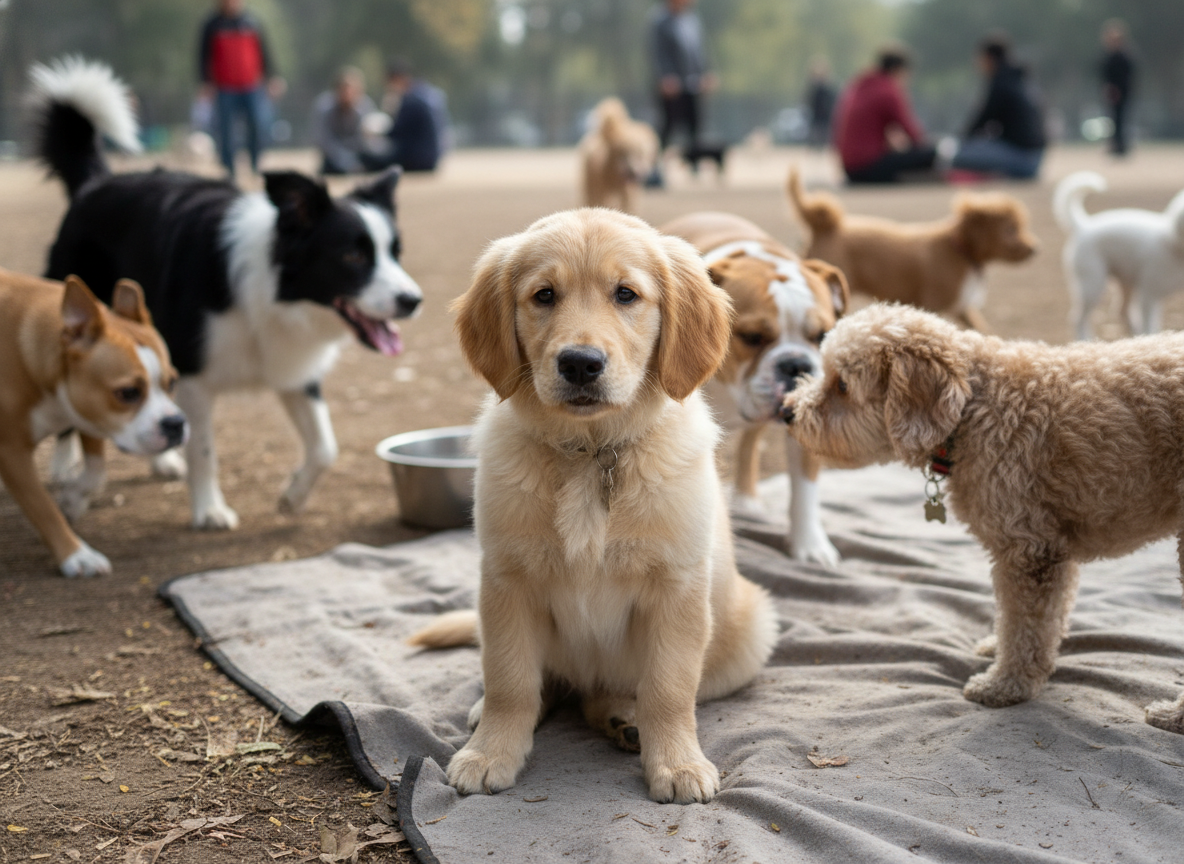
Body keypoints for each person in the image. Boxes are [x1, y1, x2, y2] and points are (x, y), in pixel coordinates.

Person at [198, 0, 284, 178]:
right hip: (224, 87)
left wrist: (272, 77)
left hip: (251, 85)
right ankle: (229, 168)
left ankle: (254, 164)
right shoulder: (212, 25)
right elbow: (203, 56)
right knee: (225, 129)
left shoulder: (252, 22)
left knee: (256, 125)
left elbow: (264, 52)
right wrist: (205, 82)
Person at [833, 45, 935, 184]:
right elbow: (912, 133)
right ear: (897, 70)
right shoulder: (887, 90)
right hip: (867, 166)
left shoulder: (860, 84)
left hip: (849, 167)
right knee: (930, 154)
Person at [951, 34, 1046, 180]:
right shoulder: (1018, 79)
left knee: (957, 156)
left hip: (1023, 159)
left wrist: (959, 141)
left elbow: (981, 121)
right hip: (1036, 157)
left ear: (989, 58)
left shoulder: (1000, 83)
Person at [647, 0, 716, 185]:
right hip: (671, 85)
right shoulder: (660, 21)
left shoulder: (692, 20)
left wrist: (705, 74)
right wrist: (665, 76)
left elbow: (699, 52)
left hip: (692, 83)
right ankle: (655, 170)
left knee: (694, 126)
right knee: (666, 128)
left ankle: (694, 167)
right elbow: (657, 53)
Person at [362, 58, 448, 174]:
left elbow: (396, 133)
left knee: (365, 157)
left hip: (417, 160)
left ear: (396, 78)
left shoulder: (410, 99)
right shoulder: (424, 92)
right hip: (432, 158)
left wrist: (377, 132)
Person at [312, 67, 375, 176]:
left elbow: (367, 139)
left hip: (359, 154)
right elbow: (324, 140)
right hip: (334, 158)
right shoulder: (325, 108)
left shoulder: (365, 107)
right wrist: (346, 162)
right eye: (343, 89)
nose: (347, 94)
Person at [1099, 19, 1135, 157]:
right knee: (1114, 119)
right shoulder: (1111, 56)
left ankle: (1120, 146)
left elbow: (1126, 76)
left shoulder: (1123, 56)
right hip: (1113, 92)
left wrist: (1117, 89)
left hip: (1120, 92)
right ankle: (1116, 145)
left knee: (1120, 119)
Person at [805, 57, 837, 149]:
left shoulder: (828, 88)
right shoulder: (813, 88)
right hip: (816, 118)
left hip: (825, 119)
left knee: (825, 143)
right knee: (815, 143)